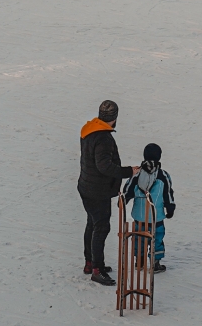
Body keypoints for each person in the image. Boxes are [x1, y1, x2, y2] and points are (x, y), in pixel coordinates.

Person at [78, 99, 133, 286]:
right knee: (101, 227)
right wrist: (128, 172)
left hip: (86, 187)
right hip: (97, 191)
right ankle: (97, 269)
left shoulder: (89, 130)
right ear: (114, 118)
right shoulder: (103, 138)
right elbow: (104, 167)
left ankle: (89, 263)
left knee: (92, 224)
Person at [122, 143, 176, 272]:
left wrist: (124, 201)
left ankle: (139, 262)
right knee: (156, 238)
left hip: (139, 216)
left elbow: (128, 190)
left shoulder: (136, 174)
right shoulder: (163, 175)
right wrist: (170, 208)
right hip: (156, 216)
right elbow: (168, 193)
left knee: (139, 238)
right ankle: (155, 262)